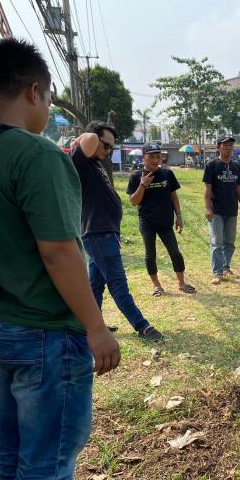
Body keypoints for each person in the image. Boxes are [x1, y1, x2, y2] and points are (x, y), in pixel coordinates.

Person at [0, 38, 119, 480]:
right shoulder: (37, 154)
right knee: (50, 462)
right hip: (44, 332)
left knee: (17, 450)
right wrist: (96, 327)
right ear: (34, 91)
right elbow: (60, 253)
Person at [71, 122, 163, 341]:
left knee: (95, 285)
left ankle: (91, 326)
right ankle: (142, 326)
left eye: (111, 147)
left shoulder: (95, 163)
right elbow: (90, 141)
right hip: (97, 233)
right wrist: (89, 136)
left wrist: (115, 234)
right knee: (118, 283)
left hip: (104, 233)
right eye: (105, 145)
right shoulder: (81, 161)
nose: (108, 151)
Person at [127, 142, 196, 296]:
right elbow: (133, 202)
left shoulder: (167, 174)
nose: (155, 159)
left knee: (175, 252)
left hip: (165, 222)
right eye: (151, 156)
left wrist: (179, 216)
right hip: (147, 223)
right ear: (143, 157)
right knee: (150, 254)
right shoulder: (136, 177)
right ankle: (157, 285)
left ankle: (182, 283)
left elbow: (174, 196)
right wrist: (142, 185)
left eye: (158, 156)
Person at [203, 134, 240, 284]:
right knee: (217, 241)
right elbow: (207, 189)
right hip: (216, 210)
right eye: (225, 145)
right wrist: (207, 208)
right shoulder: (211, 165)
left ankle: (226, 266)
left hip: (231, 210)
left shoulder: (236, 166)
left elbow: (239, 189)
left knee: (229, 241)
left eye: (231, 145)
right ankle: (218, 272)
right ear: (218, 148)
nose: (229, 148)